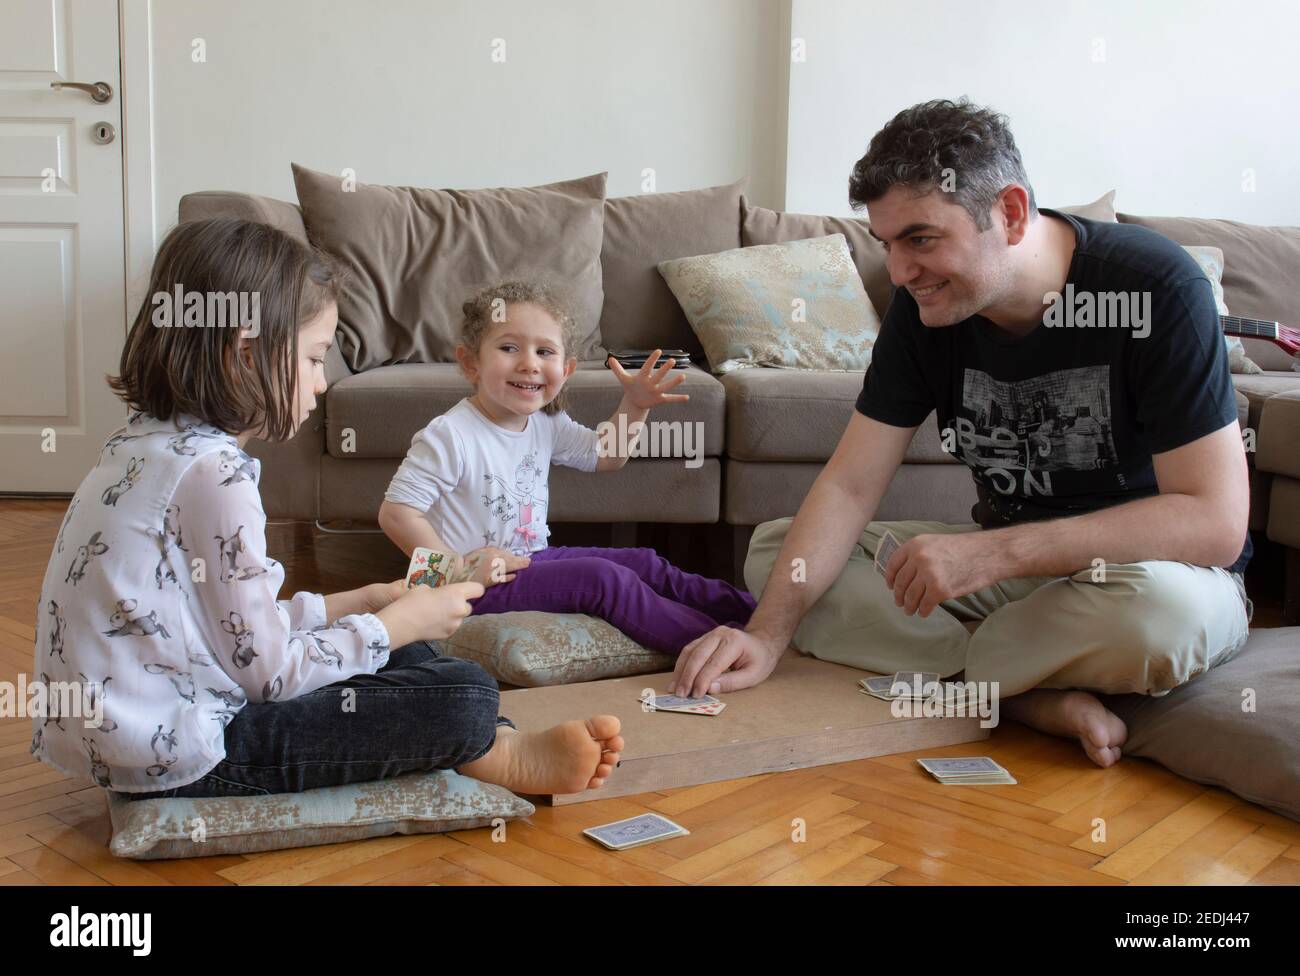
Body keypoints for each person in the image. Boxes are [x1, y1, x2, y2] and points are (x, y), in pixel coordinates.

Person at [671, 99, 1251, 767]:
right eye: (886, 245)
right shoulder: (924, 310)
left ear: (1008, 212)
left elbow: (1214, 522)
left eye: (921, 239)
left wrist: (996, 555)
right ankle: (1021, 692)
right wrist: (768, 637)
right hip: (1024, 590)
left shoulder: (1155, 288)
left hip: (1146, 579)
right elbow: (851, 485)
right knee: (778, 556)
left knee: (1162, 618)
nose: (899, 272)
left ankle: (972, 678)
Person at [32, 218, 622, 799]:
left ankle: (479, 737)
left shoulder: (142, 442)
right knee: (463, 691)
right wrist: (387, 626)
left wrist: (361, 604)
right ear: (245, 353)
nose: (320, 384)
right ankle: (494, 747)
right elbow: (267, 675)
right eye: (315, 358)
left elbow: (220, 625)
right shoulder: (215, 476)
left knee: (407, 647)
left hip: (143, 724)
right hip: (190, 752)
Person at [379, 281, 756, 654]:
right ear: (470, 362)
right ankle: (718, 645)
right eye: (509, 348)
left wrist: (635, 405)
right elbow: (396, 513)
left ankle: (761, 616)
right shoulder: (451, 435)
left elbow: (605, 456)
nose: (529, 364)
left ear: (567, 369)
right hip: (477, 585)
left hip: (529, 560)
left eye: (545, 351)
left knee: (645, 563)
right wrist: (458, 570)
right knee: (603, 580)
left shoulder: (545, 421)